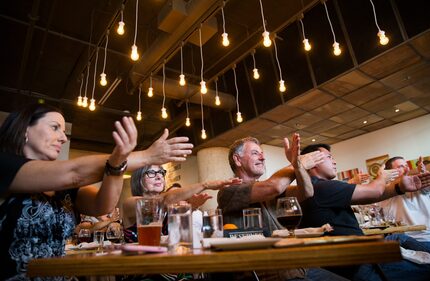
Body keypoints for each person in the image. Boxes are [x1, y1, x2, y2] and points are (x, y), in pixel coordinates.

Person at [0, 103, 193, 280]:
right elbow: (73, 172)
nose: (62, 137)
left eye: (63, 130)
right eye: (54, 127)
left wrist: (119, 160)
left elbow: (103, 204)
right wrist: (145, 156)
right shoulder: (5, 165)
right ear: (25, 129)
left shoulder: (65, 188)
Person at [217, 134, 347, 281]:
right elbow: (274, 187)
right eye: (255, 153)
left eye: (262, 154)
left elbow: (307, 191)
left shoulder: (268, 188)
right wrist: (298, 162)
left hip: (296, 266)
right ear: (237, 159)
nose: (262, 157)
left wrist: (298, 166)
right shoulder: (228, 191)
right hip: (270, 273)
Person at [299, 143, 430, 281]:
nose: (334, 161)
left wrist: (399, 187)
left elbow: (373, 194)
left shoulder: (313, 188)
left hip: (358, 257)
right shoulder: (321, 187)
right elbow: (374, 192)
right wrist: (382, 177)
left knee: (399, 238)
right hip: (361, 265)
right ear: (314, 161)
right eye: (329, 157)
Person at [122, 164, 240, 238]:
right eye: (151, 173)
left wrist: (191, 207)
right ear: (138, 179)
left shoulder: (168, 208)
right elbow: (162, 200)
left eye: (161, 173)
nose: (159, 176)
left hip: (173, 268)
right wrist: (206, 184)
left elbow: (180, 235)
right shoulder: (129, 203)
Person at [379, 156, 430, 244]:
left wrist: (423, 172)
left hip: (423, 239)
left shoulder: (418, 181)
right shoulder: (383, 190)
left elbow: (427, 186)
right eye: (400, 166)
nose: (406, 168)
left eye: (406, 165)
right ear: (389, 172)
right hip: (400, 240)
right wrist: (381, 175)